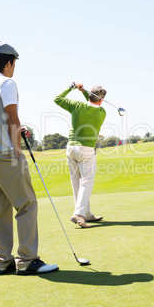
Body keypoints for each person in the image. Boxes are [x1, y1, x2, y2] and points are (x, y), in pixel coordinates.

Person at [0, 41, 59, 275]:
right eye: (15, 63)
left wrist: (17, 130)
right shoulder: (7, 83)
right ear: (9, 62)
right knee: (27, 205)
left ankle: (1, 262)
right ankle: (27, 260)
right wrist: (17, 149)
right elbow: (12, 117)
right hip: (5, 155)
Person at [54, 82, 107, 228]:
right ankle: (78, 214)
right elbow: (91, 104)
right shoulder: (102, 112)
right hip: (86, 149)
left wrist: (72, 88)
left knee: (76, 182)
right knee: (86, 182)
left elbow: (57, 99)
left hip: (71, 148)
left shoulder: (76, 106)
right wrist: (85, 93)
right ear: (101, 100)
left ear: (89, 95)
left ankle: (87, 213)